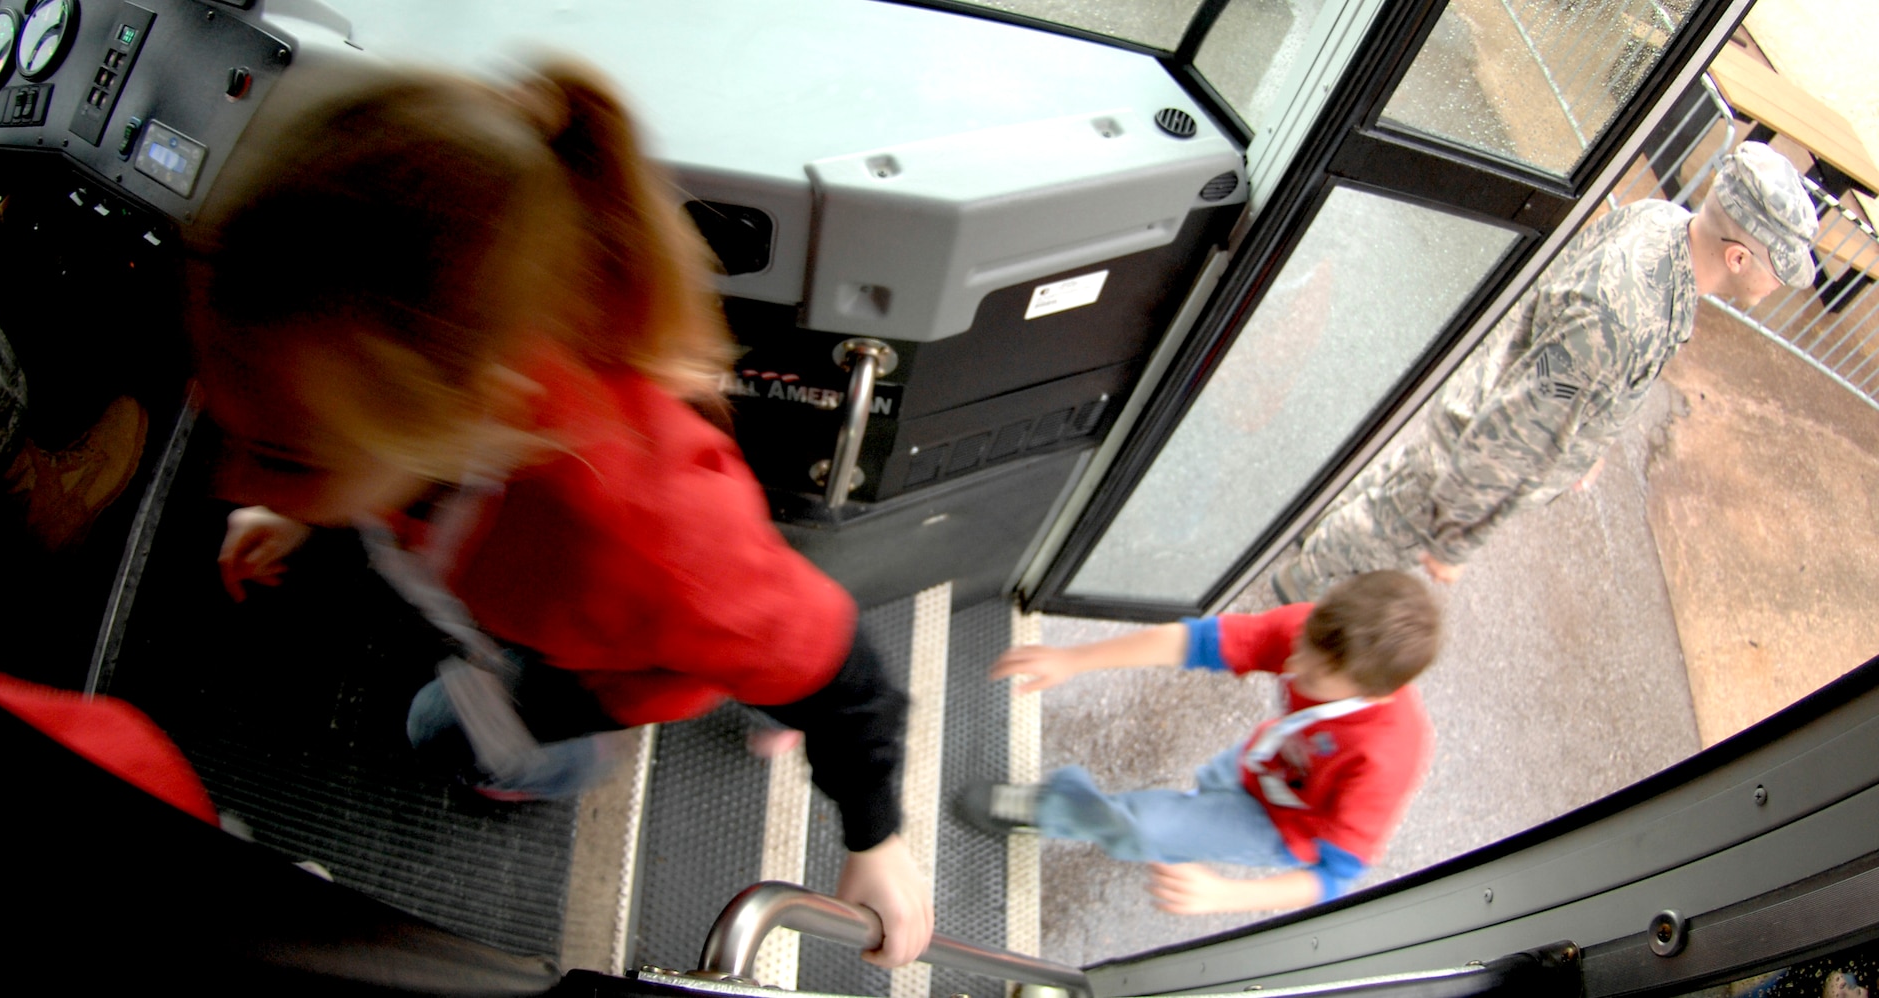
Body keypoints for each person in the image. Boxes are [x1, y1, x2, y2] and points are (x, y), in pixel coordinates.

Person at [187, 60, 932, 966]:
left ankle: (557, 766)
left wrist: (875, 840)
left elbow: (842, 674)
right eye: (233, 428)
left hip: (607, 671)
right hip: (527, 606)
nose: (228, 483)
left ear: (471, 413)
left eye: (282, 456)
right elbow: (382, 455)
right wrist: (300, 502)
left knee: (469, 736)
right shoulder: (430, 381)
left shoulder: (638, 540)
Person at [1274, 142, 1819, 602]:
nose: (1781, 285)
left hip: (1485, 403)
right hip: (1475, 447)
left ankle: (1314, 540)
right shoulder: (1625, 321)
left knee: (1394, 492)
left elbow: (1579, 383)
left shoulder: (1665, 223)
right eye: (1779, 268)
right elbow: (1513, 432)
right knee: (1387, 525)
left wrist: (1591, 441)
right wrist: (1452, 541)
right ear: (1739, 259)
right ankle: (1295, 588)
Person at [959, 571, 1439, 913]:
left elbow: (1336, 874)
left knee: (1145, 828)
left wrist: (1225, 896)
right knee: (1197, 804)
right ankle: (1188, 818)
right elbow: (1196, 642)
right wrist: (1074, 659)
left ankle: (1053, 809)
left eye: (1315, 676)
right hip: (1266, 761)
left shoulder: (1386, 759)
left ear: (1372, 692)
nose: (1294, 667)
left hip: (1284, 824)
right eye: (1300, 649)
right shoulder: (1317, 636)